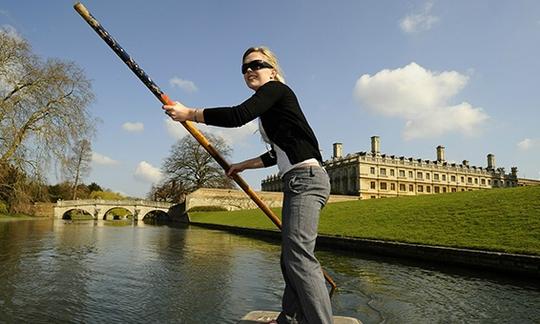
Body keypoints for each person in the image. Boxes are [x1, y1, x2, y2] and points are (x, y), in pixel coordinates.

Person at [163, 46, 333, 324]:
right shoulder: (272, 108)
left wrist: (189, 113)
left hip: (307, 180)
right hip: (296, 180)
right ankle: (288, 319)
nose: (250, 70)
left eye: (256, 64)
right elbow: (275, 154)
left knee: (299, 257)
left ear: (272, 70)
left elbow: (237, 115)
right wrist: (242, 165)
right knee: (289, 258)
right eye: (245, 68)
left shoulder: (276, 90)